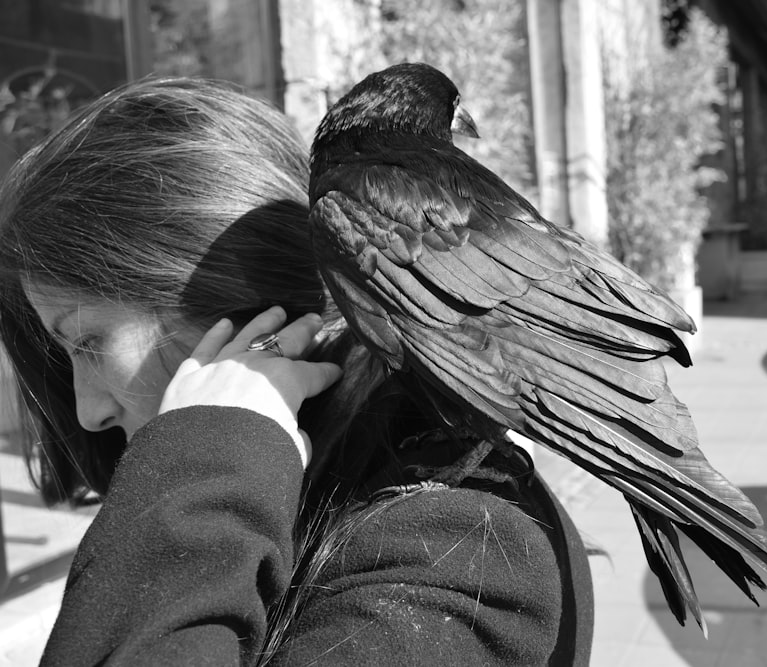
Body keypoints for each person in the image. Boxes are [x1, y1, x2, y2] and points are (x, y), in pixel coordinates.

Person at [0, 78, 593, 666]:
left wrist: (207, 451)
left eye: (88, 342)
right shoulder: (263, 506)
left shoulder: (457, 556)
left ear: (245, 308)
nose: (87, 411)